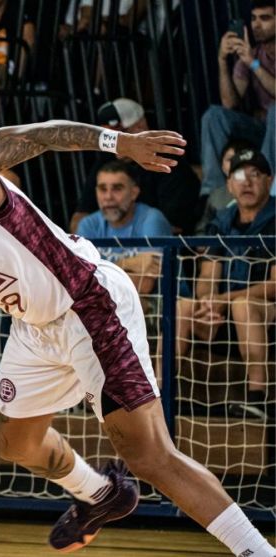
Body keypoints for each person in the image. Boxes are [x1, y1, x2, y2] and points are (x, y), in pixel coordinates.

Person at [0, 115, 276, 557]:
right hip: (35, 328)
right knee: (16, 443)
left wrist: (120, 143)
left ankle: (258, 552)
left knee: (149, 456)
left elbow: (33, 135)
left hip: (88, 302)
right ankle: (102, 493)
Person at [176, 148, 274, 421]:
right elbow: (208, 276)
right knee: (183, 307)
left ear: (269, 181)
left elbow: (274, 286)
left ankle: (257, 398)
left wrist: (226, 299)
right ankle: (159, 393)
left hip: (265, 314)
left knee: (244, 305)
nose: (247, 182)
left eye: (255, 175)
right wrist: (208, 302)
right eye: (239, 176)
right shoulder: (222, 221)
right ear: (229, 185)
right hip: (225, 315)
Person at [69, 98, 202, 234]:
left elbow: (171, 228)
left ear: (141, 128)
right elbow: (78, 219)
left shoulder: (168, 163)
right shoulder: (105, 161)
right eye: (107, 137)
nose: (114, 143)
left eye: (119, 134)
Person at [200, 0, 275, 197]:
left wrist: (253, 64)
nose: (256, 25)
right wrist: (222, 60)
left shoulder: (252, 58)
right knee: (214, 115)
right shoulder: (253, 53)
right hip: (264, 129)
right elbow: (230, 103)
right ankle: (215, 193)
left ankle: (268, 190)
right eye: (253, 18)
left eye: (265, 18)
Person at [76, 160, 172, 295]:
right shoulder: (88, 225)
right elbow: (81, 281)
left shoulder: (151, 219)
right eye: (103, 189)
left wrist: (99, 273)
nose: (108, 197)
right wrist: (126, 263)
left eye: (117, 189)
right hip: (109, 301)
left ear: (134, 193)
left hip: (161, 301)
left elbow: (144, 285)